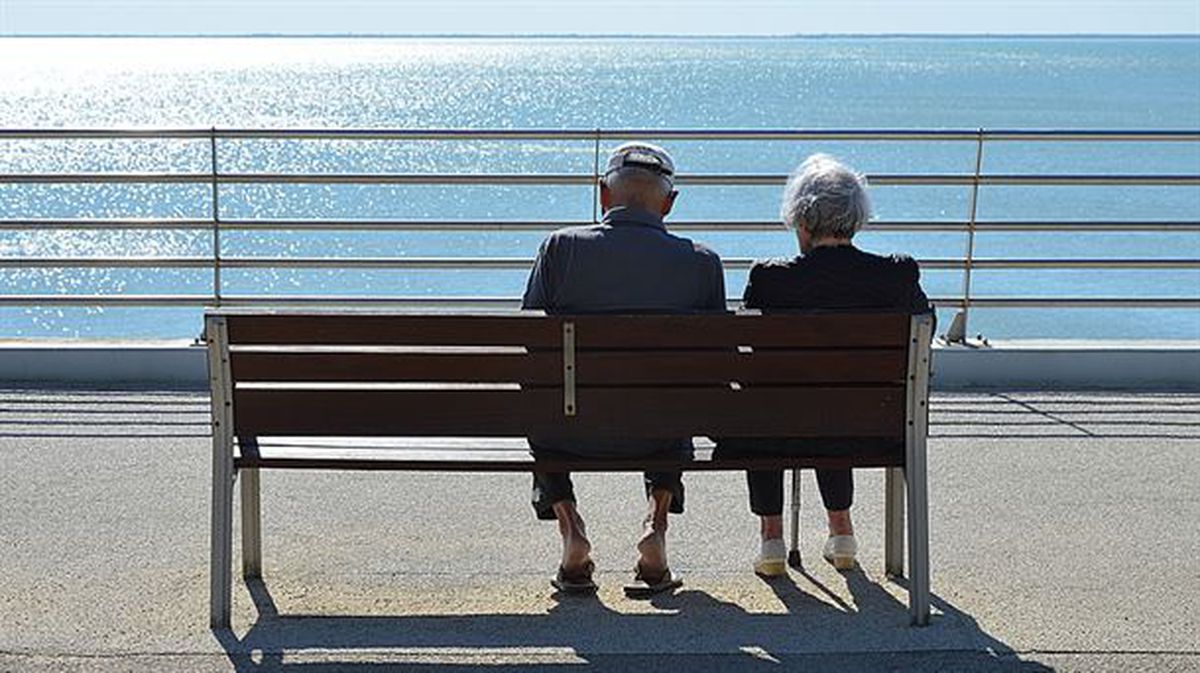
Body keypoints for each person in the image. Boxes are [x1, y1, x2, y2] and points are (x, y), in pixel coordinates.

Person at [522, 142, 726, 597]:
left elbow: (530, 348)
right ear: (669, 204)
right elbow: (715, 366)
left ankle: (570, 528)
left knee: (541, 403)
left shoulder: (560, 248)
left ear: (603, 195)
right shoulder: (702, 262)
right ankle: (655, 528)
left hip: (568, 431)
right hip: (658, 433)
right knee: (677, 405)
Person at [725, 153, 932, 577]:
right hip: (872, 426)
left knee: (771, 407)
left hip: (781, 429)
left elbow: (749, 357)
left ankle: (771, 538)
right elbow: (925, 334)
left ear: (801, 219)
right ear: (857, 219)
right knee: (835, 405)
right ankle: (842, 531)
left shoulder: (770, 280)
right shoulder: (897, 275)